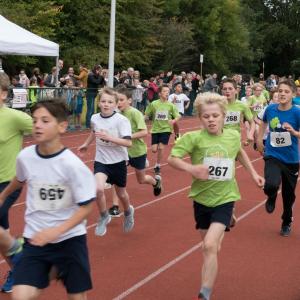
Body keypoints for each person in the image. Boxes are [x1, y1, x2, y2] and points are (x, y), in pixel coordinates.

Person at [168, 92, 264, 300]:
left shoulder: (232, 135)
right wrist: (191, 168)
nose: (211, 120)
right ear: (200, 118)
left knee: (209, 245)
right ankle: (228, 221)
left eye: (215, 116)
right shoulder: (192, 138)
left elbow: (239, 152)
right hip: (201, 199)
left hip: (226, 197)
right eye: (206, 116)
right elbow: (172, 159)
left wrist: (255, 173)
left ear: (223, 115)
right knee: (211, 248)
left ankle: (205, 293)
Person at [0, 99, 96, 300]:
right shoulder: (25, 156)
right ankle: (51, 268)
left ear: (62, 126)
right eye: (35, 120)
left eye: (45, 120)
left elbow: (86, 207)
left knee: (77, 297)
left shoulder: (73, 166)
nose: (37, 125)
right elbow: (19, 179)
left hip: (69, 241)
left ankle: (58, 269)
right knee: (20, 296)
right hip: (35, 239)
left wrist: (55, 231)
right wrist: (3, 195)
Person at [78, 87, 134, 236]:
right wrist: (86, 144)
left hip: (118, 161)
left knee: (121, 194)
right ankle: (103, 215)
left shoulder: (122, 120)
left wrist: (109, 138)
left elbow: (128, 143)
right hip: (101, 160)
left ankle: (128, 211)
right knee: (98, 189)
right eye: (103, 101)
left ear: (115, 104)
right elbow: (93, 131)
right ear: (99, 103)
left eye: (110, 102)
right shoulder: (94, 118)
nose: (106, 104)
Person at [0, 72, 32, 292]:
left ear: (3, 94)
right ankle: (18, 268)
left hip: (8, 182)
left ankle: (19, 254)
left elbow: (46, 129)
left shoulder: (15, 117)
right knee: (2, 235)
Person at [108, 86, 162, 217]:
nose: (118, 103)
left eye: (121, 100)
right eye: (116, 100)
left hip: (137, 151)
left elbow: (144, 132)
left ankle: (156, 182)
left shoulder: (134, 113)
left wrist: (127, 137)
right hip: (121, 152)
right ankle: (115, 206)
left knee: (141, 179)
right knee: (117, 179)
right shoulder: (114, 115)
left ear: (130, 101)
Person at [257, 79, 300, 237]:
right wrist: (259, 139)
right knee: (271, 184)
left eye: (286, 91)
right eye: (280, 91)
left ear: (293, 95)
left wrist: (295, 133)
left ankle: (286, 222)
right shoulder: (271, 108)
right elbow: (263, 123)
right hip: (273, 154)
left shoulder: (297, 112)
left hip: (291, 159)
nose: (282, 94)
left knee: (289, 196)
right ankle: (272, 194)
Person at [145, 84, 181, 175]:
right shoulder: (154, 104)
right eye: (165, 91)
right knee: (153, 149)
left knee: (161, 147)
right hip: (155, 129)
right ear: (160, 93)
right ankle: (144, 157)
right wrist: (140, 121)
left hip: (166, 129)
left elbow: (178, 115)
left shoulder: (170, 105)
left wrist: (173, 120)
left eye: (168, 92)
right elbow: (146, 114)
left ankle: (157, 165)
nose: (167, 93)